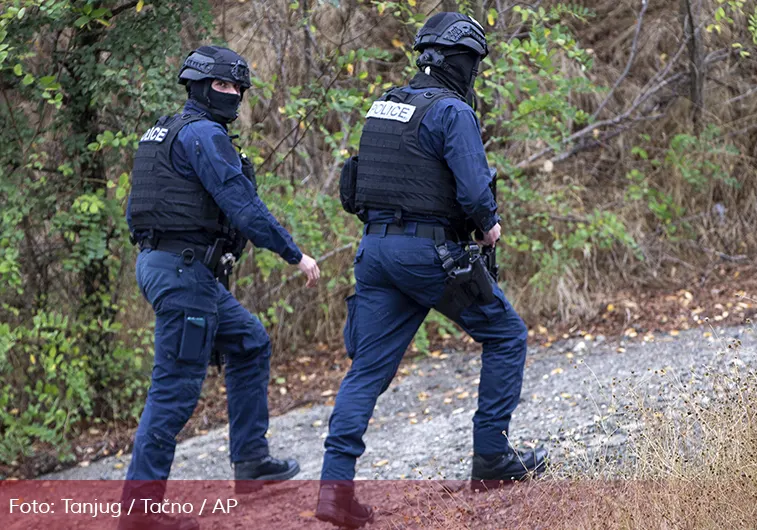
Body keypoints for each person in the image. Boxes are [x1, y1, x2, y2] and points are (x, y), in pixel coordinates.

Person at [315, 12, 547, 528]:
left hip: (374, 252)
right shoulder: (452, 112)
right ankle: (491, 459)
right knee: (506, 334)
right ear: (459, 61)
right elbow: (472, 190)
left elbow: (357, 185)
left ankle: (334, 488)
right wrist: (489, 227)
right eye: (473, 62)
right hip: (429, 255)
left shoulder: (384, 105)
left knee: (367, 370)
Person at [119, 45, 320, 530]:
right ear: (198, 86)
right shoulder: (206, 135)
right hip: (183, 273)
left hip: (167, 266)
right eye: (222, 86)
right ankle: (140, 513)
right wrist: (294, 254)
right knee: (173, 392)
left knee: (250, 341)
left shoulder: (160, 132)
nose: (231, 94)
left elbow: (135, 211)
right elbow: (242, 206)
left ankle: (251, 462)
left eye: (236, 88)